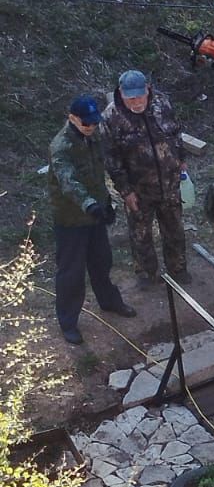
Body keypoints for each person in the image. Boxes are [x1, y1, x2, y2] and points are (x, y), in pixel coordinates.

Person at [48, 94, 138, 346]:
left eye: (93, 122)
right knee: (71, 273)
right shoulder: (61, 147)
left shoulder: (94, 137)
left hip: (95, 212)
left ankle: (109, 301)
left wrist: (106, 204)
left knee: (102, 261)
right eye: (86, 123)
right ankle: (68, 322)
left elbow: (99, 172)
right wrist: (90, 205)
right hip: (71, 220)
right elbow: (69, 182)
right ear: (72, 119)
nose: (91, 127)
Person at [102, 68, 189, 288]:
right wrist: (126, 191)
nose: (136, 101)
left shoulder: (162, 103)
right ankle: (148, 276)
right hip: (138, 190)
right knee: (141, 235)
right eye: (130, 97)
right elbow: (111, 159)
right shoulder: (111, 117)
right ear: (121, 93)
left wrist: (181, 158)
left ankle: (178, 270)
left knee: (175, 229)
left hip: (169, 183)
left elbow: (176, 131)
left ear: (148, 89)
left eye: (140, 95)